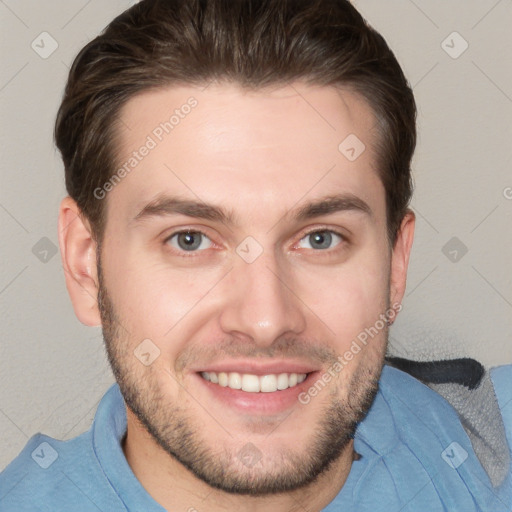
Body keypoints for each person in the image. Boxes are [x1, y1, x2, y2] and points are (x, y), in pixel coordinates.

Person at [1, 0, 510, 510]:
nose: (266, 320)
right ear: (86, 264)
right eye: (190, 240)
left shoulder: (483, 438)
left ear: (395, 265)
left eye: (320, 238)